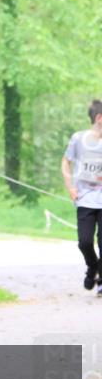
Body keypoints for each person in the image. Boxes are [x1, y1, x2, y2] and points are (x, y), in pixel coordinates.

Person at [61, 99, 102, 294]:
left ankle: (101, 280)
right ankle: (93, 267)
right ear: (99, 118)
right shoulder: (79, 139)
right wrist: (70, 187)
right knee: (84, 242)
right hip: (85, 199)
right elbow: (65, 162)